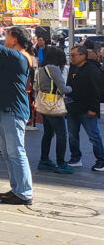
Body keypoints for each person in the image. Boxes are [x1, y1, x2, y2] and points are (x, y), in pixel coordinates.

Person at [0, 15, 34, 206]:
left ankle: (25, 192)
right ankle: (17, 189)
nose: (5, 39)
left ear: (15, 39)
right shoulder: (14, 56)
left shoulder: (17, 57)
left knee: (16, 151)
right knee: (8, 152)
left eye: (7, 36)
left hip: (13, 109)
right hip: (5, 108)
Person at [34, 45, 73, 174]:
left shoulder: (41, 69)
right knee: (62, 134)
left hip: (44, 105)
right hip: (54, 105)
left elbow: (36, 86)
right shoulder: (54, 69)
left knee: (48, 133)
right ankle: (61, 163)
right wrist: (71, 89)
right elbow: (63, 89)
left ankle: (44, 160)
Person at [66, 45, 104, 172]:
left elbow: (97, 90)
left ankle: (101, 161)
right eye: (70, 55)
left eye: (73, 55)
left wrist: (93, 108)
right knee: (72, 135)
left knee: (93, 136)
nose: (71, 58)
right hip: (73, 108)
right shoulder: (73, 67)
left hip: (87, 109)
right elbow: (69, 85)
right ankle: (75, 158)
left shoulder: (92, 69)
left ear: (83, 56)